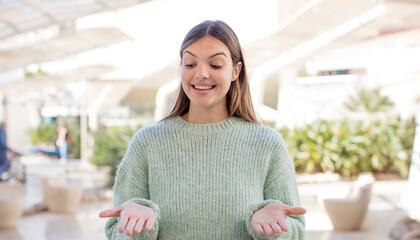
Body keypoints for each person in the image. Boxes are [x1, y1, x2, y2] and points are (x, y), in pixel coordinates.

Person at [99, 20, 306, 239]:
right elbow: (116, 231)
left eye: (215, 65)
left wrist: (273, 230)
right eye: (190, 64)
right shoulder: (147, 143)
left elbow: (297, 230)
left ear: (236, 71)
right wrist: (137, 228)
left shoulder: (267, 144)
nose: (201, 74)